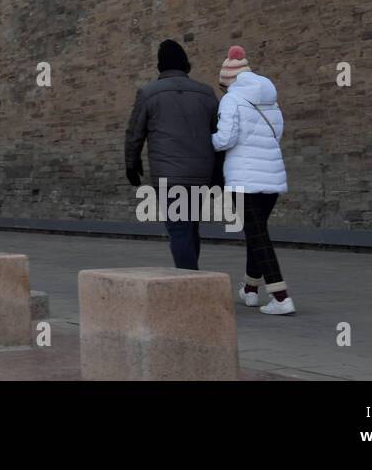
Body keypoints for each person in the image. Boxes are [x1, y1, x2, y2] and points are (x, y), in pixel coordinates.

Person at [213, 45, 294, 315]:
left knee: (258, 235)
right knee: (255, 232)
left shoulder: (231, 100)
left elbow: (226, 139)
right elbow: (277, 132)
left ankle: (281, 297)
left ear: (228, 81)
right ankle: (250, 289)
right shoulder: (270, 98)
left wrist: (209, 141)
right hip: (271, 174)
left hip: (244, 177)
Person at [124, 39, 220, 270]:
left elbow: (134, 132)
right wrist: (218, 174)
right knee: (190, 227)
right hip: (200, 172)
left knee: (179, 229)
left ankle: (191, 286)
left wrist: (131, 164)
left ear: (160, 66)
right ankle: (193, 278)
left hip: (169, 174)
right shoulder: (206, 94)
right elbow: (219, 136)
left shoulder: (148, 93)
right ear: (186, 64)